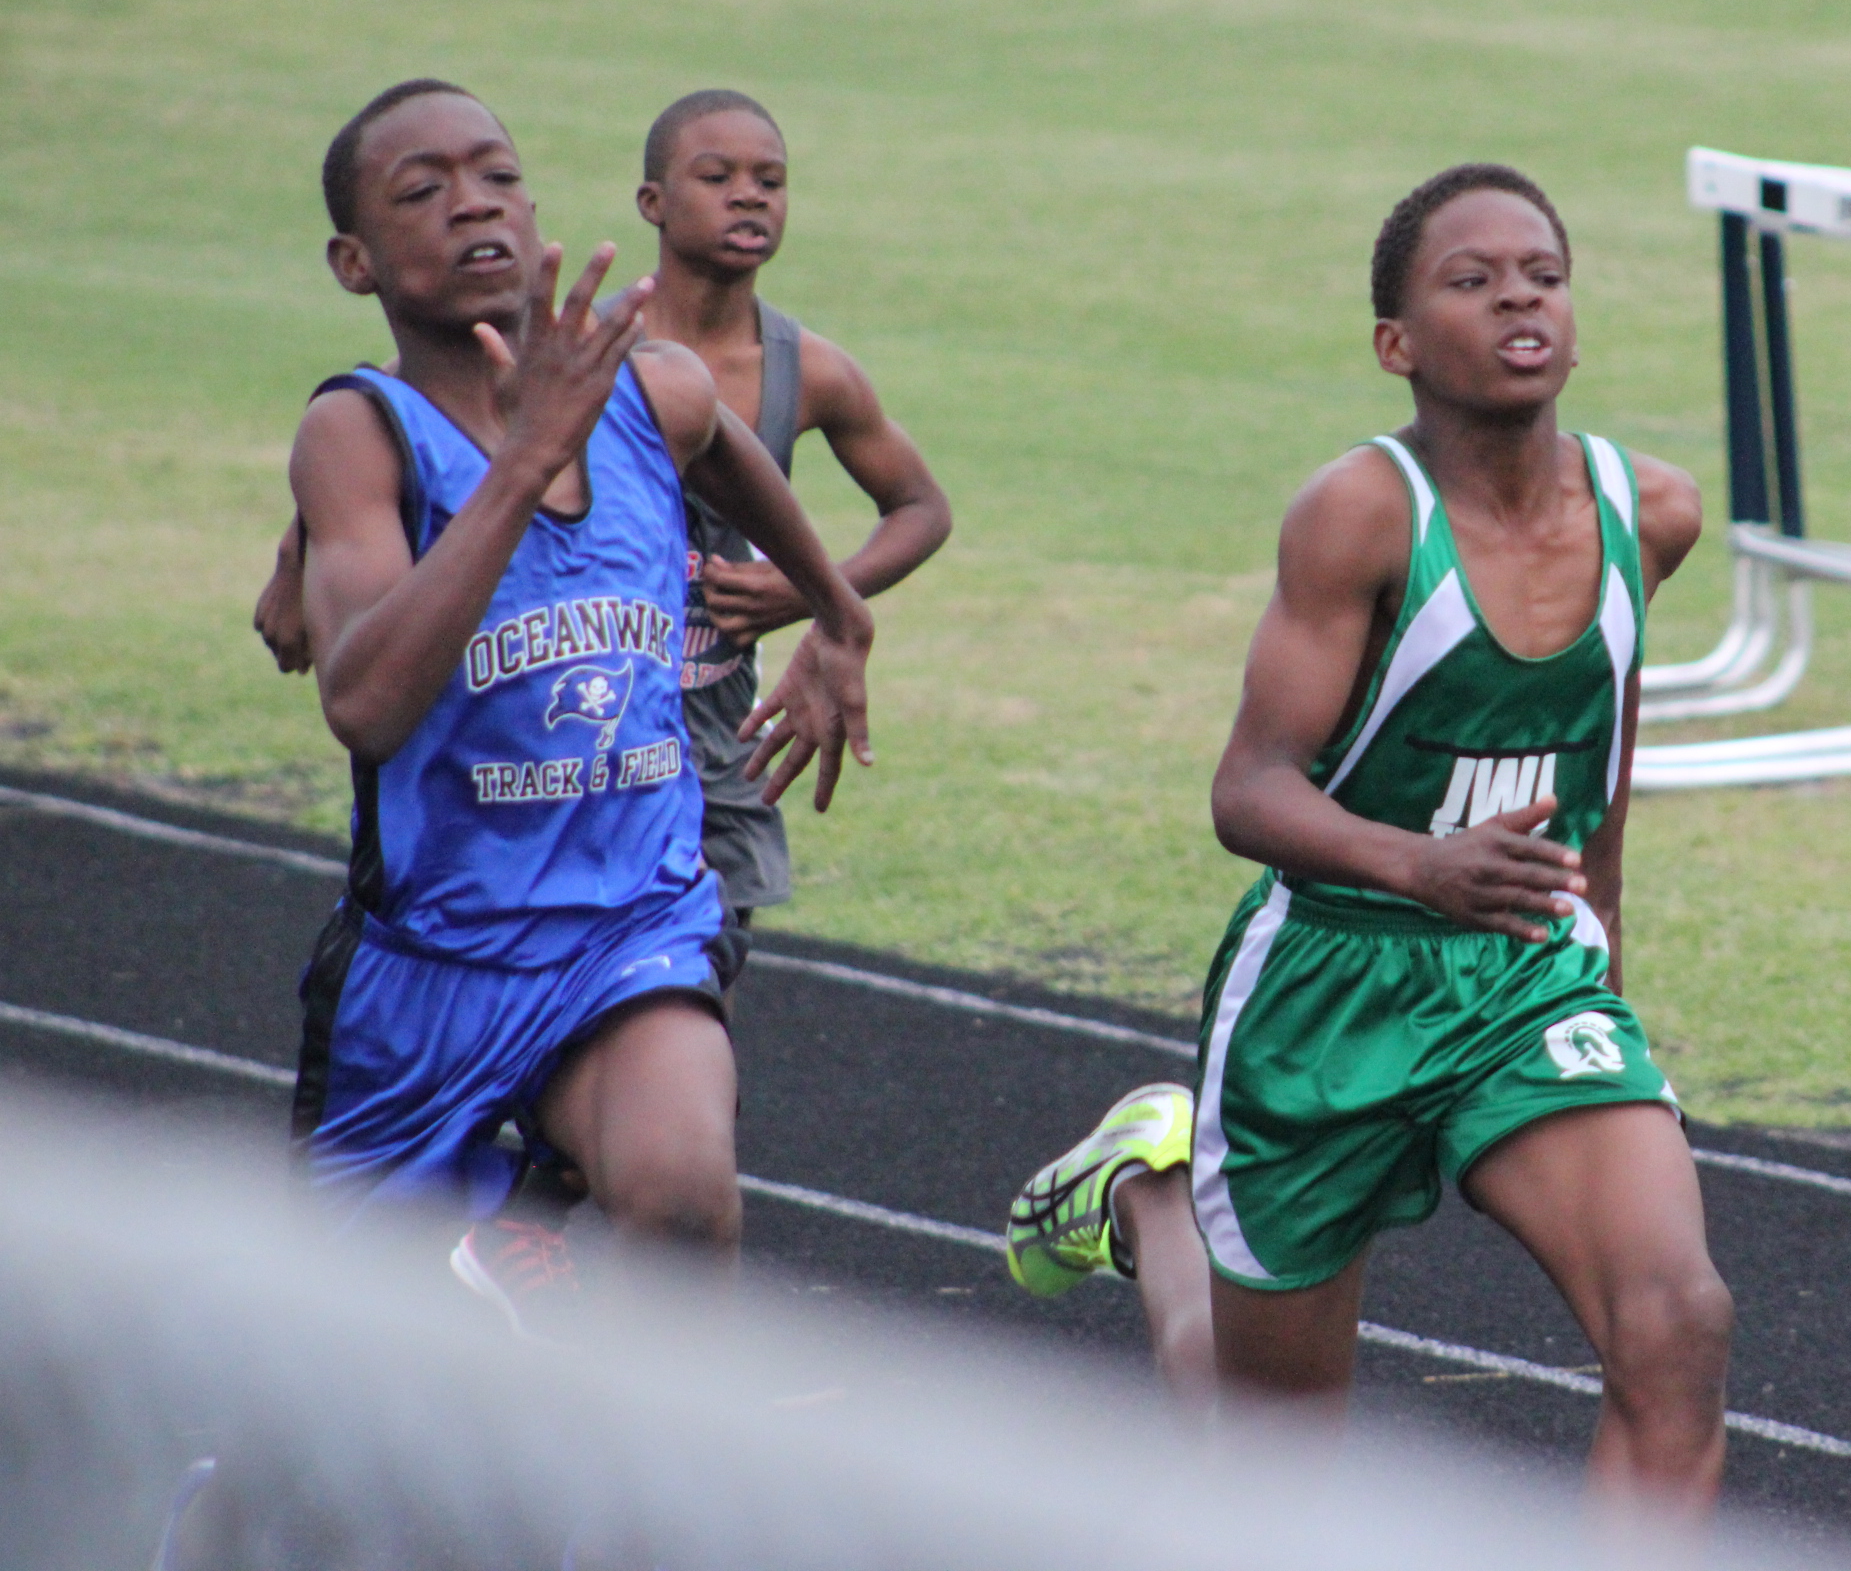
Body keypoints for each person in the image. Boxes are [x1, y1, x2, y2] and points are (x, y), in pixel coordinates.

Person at [999, 164, 1730, 1515]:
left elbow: (1601, 754)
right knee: (1271, 1483)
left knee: (1677, 1324)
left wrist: (1604, 953)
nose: (1518, 297)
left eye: (1544, 276)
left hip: (1523, 975)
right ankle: (1150, 1199)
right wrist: (1423, 866)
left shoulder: (1654, 515)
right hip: (1331, 982)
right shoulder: (1361, 514)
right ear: (1397, 344)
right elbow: (1249, 790)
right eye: (1472, 279)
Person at [281, 78, 877, 1302]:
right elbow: (367, 706)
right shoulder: (360, 435)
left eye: (498, 176)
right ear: (356, 262)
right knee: (335, 1353)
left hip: (629, 927)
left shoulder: (654, 390)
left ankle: (651, 1434)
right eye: (423, 191)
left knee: (683, 1200)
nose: (473, 205)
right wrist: (525, 460)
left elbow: (727, 449)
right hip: (434, 959)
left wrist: (836, 609)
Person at [625, 87, 949, 974]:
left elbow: (922, 508)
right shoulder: (586, 343)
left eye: (770, 181)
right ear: (653, 202)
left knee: (700, 1013)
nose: (749, 195)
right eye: (717, 177)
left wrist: (812, 589)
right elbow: (415, 407)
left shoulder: (808, 371)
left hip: (718, 754)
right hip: (586, 736)